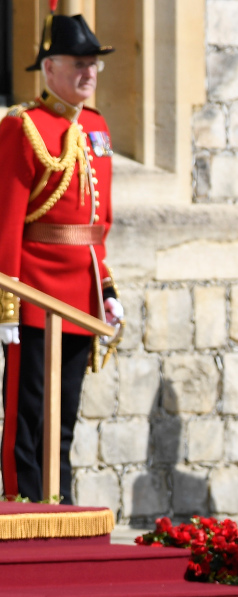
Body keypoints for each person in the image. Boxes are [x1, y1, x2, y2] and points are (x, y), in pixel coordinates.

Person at [0, 13, 123, 504]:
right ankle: (24, 502)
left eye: (93, 65)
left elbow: (99, 225)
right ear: (49, 68)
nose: (88, 74)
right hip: (32, 291)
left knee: (64, 412)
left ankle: (61, 504)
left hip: (78, 296)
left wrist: (106, 287)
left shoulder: (96, 127)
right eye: (78, 64)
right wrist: (6, 302)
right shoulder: (23, 126)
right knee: (28, 411)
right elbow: (8, 219)